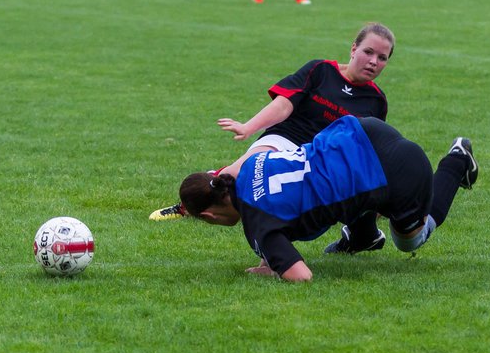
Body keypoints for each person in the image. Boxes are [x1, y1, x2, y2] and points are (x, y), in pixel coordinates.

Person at [150, 23, 394, 256]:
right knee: (242, 170)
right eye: (368, 52)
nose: (373, 61)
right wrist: (249, 127)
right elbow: (284, 105)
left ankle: (362, 236)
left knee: (362, 189)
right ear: (354, 49)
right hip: (287, 138)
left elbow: (366, 145)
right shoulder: (320, 70)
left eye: (382, 58)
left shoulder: (376, 101)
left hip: (323, 156)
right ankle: (190, 206)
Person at [178, 115, 478, 281]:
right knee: (341, 191)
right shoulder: (248, 163)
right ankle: (362, 237)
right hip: (364, 130)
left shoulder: (258, 226)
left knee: (410, 240)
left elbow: (302, 276)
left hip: (397, 172)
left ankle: (456, 161)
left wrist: (272, 266)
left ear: (210, 216)